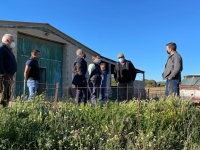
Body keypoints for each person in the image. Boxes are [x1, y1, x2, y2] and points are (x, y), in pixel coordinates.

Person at [0, 34, 17, 107]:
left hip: (9, 75)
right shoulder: (1, 48)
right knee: (2, 92)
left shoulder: (8, 50)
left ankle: (4, 108)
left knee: (7, 94)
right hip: (4, 75)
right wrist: (3, 72)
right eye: (12, 40)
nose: (13, 42)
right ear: (7, 40)